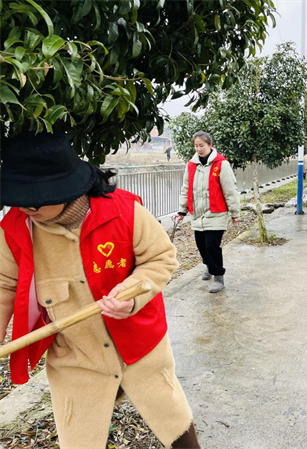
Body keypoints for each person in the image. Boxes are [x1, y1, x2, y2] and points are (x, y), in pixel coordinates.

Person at [0, 132, 200, 449]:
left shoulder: (125, 211)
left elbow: (161, 258)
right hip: (76, 356)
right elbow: (3, 285)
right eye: (17, 198)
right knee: (78, 437)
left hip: (140, 345)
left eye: (34, 199)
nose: (25, 208)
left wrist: (131, 294)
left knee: (175, 424)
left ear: (65, 189)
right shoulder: (14, 229)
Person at [176, 131, 240, 293]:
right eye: (196, 146)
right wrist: (182, 211)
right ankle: (209, 267)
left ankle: (218, 276)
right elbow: (186, 188)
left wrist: (235, 212)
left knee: (212, 245)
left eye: (202, 146)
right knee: (201, 245)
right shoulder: (191, 165)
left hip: (216, 213)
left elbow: (230, 190)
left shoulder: (221, 164)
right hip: (197, 214)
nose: (198, 149)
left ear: (210, 145)